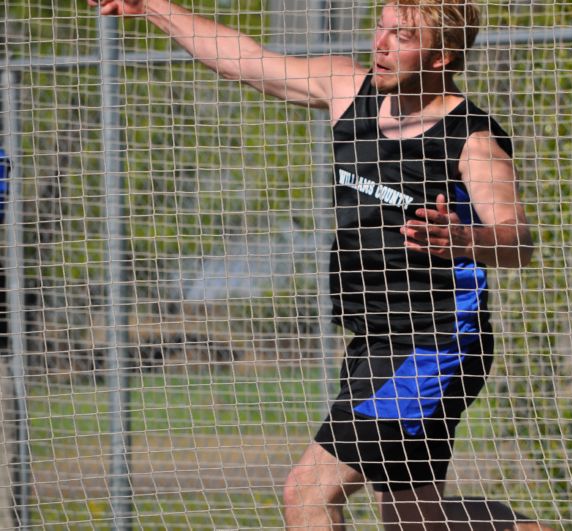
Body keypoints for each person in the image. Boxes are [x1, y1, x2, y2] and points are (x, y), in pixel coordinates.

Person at [91, 0, 545, 529]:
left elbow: (519, 241)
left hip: (431, 343)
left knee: (308, 491)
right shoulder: (346, 89)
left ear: (442, 56)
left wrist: (465, 237)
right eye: (381, 27)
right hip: (376, 339)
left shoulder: (472, 140)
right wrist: (150, 7)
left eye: (402, 36)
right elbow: (241, 59)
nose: (380, 43)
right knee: (414, 518)